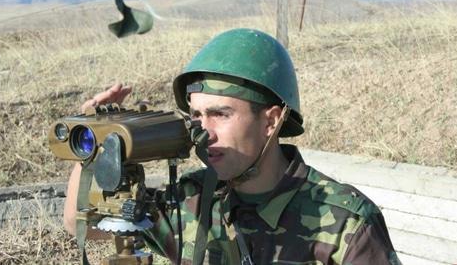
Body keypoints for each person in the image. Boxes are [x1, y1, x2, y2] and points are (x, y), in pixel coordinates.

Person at [64, 28, 401, 265]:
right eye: (196, 115)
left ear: (271, 121)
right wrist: (93, 142)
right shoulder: (191, 200)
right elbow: (82, 226)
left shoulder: (345, 220)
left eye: (220, 114)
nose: (203, 131)